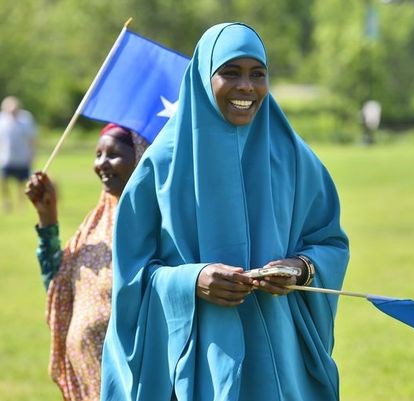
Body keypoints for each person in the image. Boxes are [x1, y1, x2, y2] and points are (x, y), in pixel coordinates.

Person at [101, 22, 349, 401]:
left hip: (281, 367)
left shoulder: (296, 161)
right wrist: (191, 281)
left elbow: (329, 242)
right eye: (230, 73)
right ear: (203, 78)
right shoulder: (160, 168)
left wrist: (299, 268)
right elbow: (131, 277)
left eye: (258, 74)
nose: (246, 86)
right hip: (190, 368)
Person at [25, 124, 148, 401]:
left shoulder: (156, 222)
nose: (101, 163)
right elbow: (58, 287)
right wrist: (48, 220)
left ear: (141, 156)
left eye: (113, 154)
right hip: (91, 381)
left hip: (135, 381)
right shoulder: (96, 221)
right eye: (98, 154)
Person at [0, 95, 37, 211]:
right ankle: (7, 202)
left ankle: (21, 203)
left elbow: (32, 138)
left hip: (22, 157)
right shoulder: (2, 120)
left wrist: (32, 154)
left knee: (22, 183)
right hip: (5, 157)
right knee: (3, 181)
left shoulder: (26, 119)